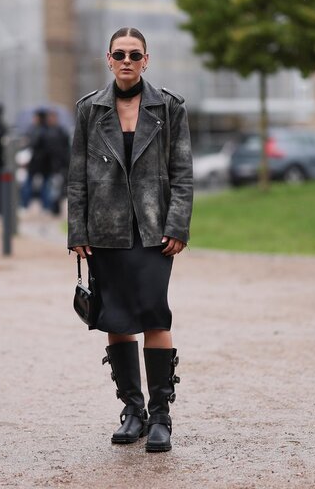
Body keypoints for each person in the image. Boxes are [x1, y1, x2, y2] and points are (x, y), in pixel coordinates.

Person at [67, 27, 193, 453]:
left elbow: (182, 173)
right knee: (117, 319)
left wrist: (177, 224)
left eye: (134, 54)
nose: (126, 60)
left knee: (156, 316)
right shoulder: (89, 110)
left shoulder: (169, 107)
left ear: (146, 59)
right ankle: (132, 411)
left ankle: (161, 416)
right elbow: (77, 178)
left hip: (155, 232)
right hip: (105, 232)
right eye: (119, 53)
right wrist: (77, 230)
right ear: (108, 58)